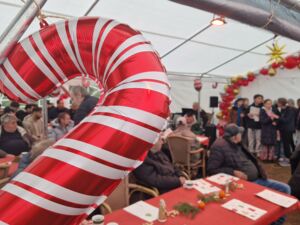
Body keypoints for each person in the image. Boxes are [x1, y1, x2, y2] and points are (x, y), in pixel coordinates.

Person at [207, 123, 290, 193]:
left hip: (257, 178)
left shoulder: (237, 143)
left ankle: (281, 212)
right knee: (285, 189)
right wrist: (233, 172)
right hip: (244, 184)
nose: (242, 134)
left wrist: (261, 171)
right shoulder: (219, 146)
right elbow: (212, 169)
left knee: (285, 188)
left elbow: (251, 159)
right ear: (234, 137)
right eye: (239, 133)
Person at [277, 98, 296, 164]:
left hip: (288, 129)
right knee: (288, 144)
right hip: (283, 129)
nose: (277, 104)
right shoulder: (282, 109)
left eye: (278, 102)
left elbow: (286, 120)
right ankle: (290, 157)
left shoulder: (290, 110)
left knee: (287, 144)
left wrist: (277, 117)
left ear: (281, 103)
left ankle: (290, 158)